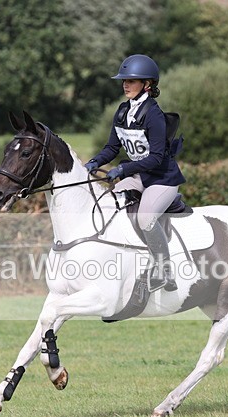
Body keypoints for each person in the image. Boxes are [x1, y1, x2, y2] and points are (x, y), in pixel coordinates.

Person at [85, 54, 185, 292]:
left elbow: (156, 157)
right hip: (139, 176)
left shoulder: (154, 115)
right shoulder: (122, 111)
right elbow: (112, 147)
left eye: (132, 81)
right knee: (107, 204)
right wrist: (93, 162)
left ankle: (165, 271)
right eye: (124, 81)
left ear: (147, 84)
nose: (125, 85)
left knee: (145, 218)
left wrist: (123, 169)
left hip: (162, 179)